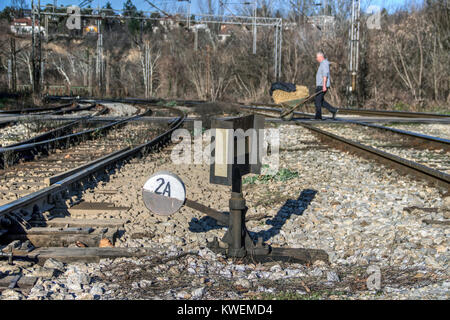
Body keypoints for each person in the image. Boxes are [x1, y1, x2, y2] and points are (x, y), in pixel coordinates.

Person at [314, 52, 338, 120]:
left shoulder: (324, 63)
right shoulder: (323, 63)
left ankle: (318, 117)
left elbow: (325, 75)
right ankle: (333, 110)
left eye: (317, 57)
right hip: (321, 85)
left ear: (320, 57)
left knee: (317, 101)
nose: (316, 59)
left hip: (322, 85)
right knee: (320, 101)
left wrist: (324, 86)